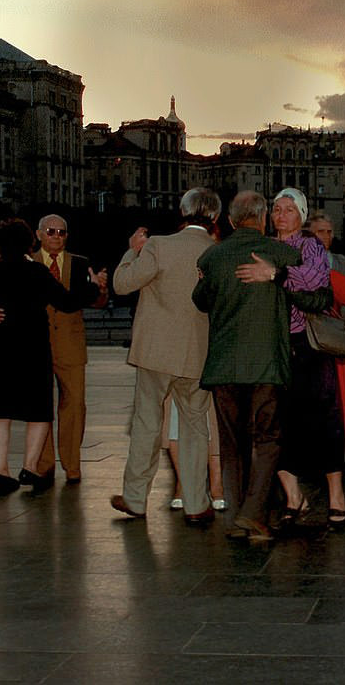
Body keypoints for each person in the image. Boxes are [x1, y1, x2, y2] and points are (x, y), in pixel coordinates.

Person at [194, 190, 321, 541]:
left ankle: (237, 516)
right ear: (263, 217)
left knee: (231, 445)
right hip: (266, 364)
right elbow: (319, 296)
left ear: (231, 220)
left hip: (222, 368)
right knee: (267, 441)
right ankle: (253, 514)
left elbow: (200, 301)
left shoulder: (212, 256)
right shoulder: (282, 253)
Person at [238, 188, 345, 529]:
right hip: (274, 347)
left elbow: (315, 283)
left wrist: (277, 274)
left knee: (323, 422)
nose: (281, 215)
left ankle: (336, 496)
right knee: (278, 423)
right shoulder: (264, 247)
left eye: (289, 209)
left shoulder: (310, 246)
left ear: (301, 215)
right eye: (276, 209)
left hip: (309, 348)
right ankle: (293, 497)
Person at [109, 187, 220, 523]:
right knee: (195, 426)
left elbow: (123, 284)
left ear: (183, 213)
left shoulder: (159, 245)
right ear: (214, 217)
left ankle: (135, 499)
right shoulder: (218, 252)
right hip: (199, 355)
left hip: (155, 354)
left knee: (146, 423)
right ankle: (197, 503)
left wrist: (132, 252)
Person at [0, 213, 107, 487]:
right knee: (39, 410)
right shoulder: (36, 272)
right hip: (33, 346)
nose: (57, 237)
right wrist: (93, 286)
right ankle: (30, 466)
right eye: (50, 231)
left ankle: (0, 471)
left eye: (62, 232)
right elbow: (68, 301)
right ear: (32, 240)